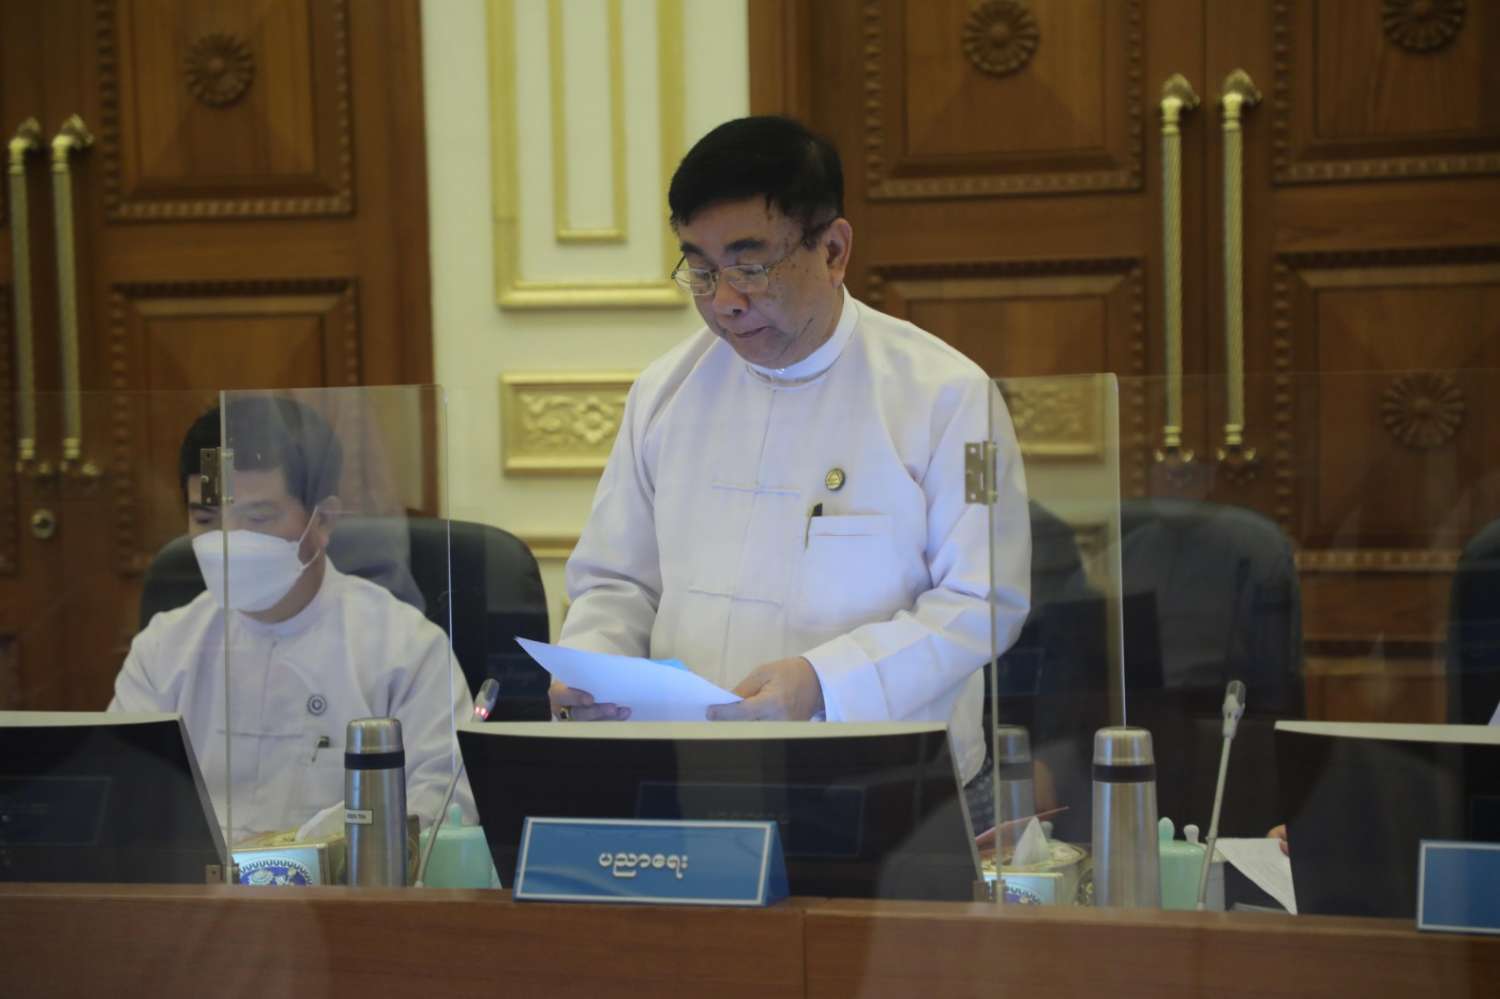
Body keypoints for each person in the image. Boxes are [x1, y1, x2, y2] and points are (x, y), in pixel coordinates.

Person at [550, 116, 1031, 821]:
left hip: (893, 794)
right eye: (701, 270)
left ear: (832, 250)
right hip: (691, 783)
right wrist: (591, 662)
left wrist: (822, 683)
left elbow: (982, 602)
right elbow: (617, 581)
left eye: (750, 267)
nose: (724, 301)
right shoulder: (665, 392)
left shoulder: (946, 396)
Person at [110, 396, 473, 845]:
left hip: (345, 884)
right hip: (194, 887)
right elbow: (120, 799)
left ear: (324, 520)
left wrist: (305, 850)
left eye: (257, 518)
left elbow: (444, 810)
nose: (228, 541)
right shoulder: (164, 648)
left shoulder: (404, 649)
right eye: (206, 518)